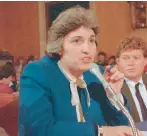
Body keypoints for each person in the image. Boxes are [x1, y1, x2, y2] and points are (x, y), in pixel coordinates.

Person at [19, 6, 140, 136]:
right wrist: (100, 131)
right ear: (59, 46)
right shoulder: (37, 73)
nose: (87, 49)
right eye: (77, 41)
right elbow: (40, 130)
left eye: (92, 40)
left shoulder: (96, 73)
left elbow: (123, 126)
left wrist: (113, 96)